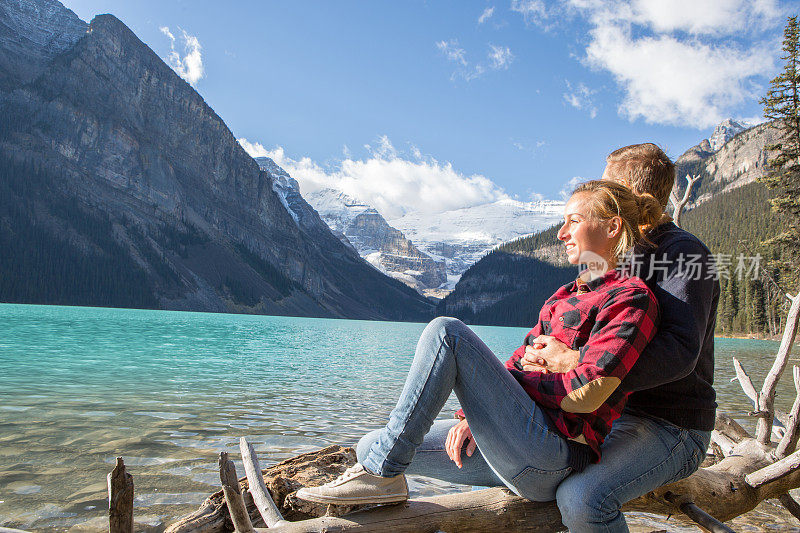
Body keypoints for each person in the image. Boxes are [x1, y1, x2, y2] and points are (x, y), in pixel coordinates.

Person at [296, 180, 663, 506]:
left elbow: (586, 394)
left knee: (447, 332)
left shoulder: (630, 298)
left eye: (574, 221)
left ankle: (382, 473)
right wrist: (478, 412)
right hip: (516, 442)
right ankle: (386, 477)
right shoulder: (561, 296)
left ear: (613, 227)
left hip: (556, 454)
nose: (561, 233)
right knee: (369, 446)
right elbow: (519, 361)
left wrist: (501, 391)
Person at [522, 143, 719, 532]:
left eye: (605, 181)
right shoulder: (618, 256)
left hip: (672, 425)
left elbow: (680, 352)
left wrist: (579, 363)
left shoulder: (683, 252)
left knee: (583, 498)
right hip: (609, 414)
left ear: (625, 191)